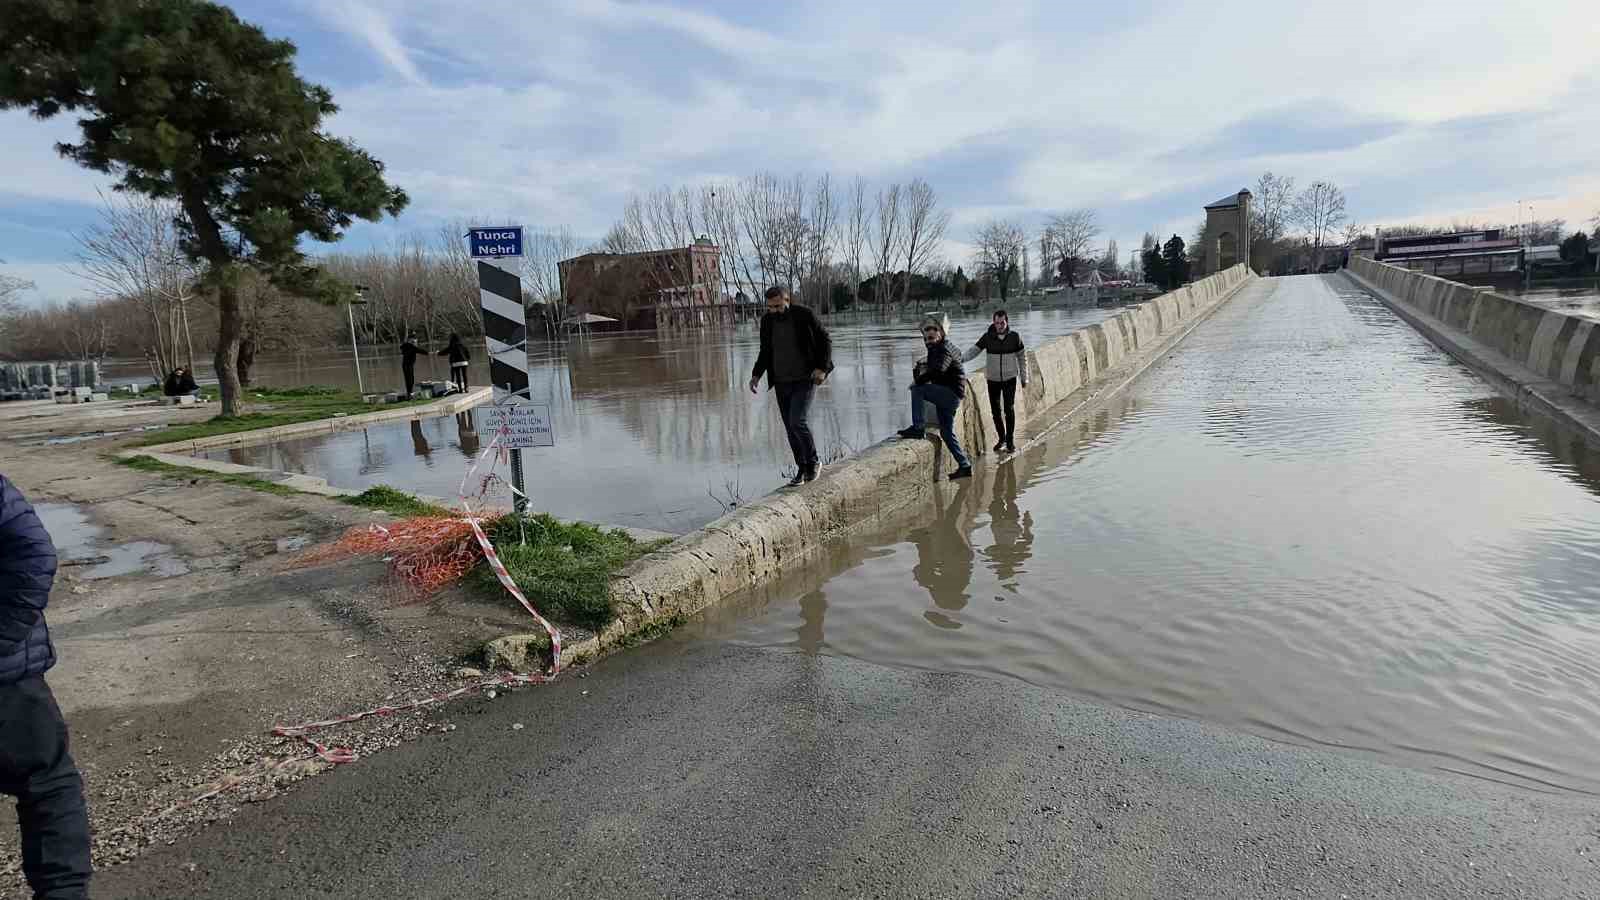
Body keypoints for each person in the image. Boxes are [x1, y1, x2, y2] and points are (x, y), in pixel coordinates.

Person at [1, 473, 92, 899]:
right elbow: (34, 552)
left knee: (47, 784)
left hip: (9, 680)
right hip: (10, 681)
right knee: (49, 787)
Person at [749, 286, 833, 488]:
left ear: (787, 300)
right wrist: (756, 374)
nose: (774, 310)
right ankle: (802, 468)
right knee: (789, 427)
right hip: (781, 381)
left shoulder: (804, 315)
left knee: (797, 420)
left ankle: (813, 461)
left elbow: (825, 340)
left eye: (778, 306)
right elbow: (765, 350)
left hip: (805, 378)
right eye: (770, 307)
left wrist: (822, 368)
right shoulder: (767, 321)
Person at [897, 313, 972, 480]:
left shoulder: (943, 348)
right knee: (946, 433)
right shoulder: (942, 347)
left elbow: (938, 370)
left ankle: (918, 428)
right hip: (949, 394)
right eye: (926, 336)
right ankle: (965, 465)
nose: (928, 338)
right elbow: (952, 359)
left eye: (932, 333)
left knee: (917, 389)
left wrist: (918, 381)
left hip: (950, 394)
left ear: (941, 333)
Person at [962, 310, 1028, 454]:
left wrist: (1024, 377)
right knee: (995, 411)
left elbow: (1022, 358)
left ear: (1007, 322)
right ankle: (1001, 438)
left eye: (1002, 323)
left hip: (1010, 378)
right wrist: (960, 359)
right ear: (994, 323)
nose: (1000, 326)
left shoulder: (1015, 337)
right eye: (997, 323)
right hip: (993, 379)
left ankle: (1010, 442)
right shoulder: (987, 337)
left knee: (1009, 409)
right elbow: (974, 351)